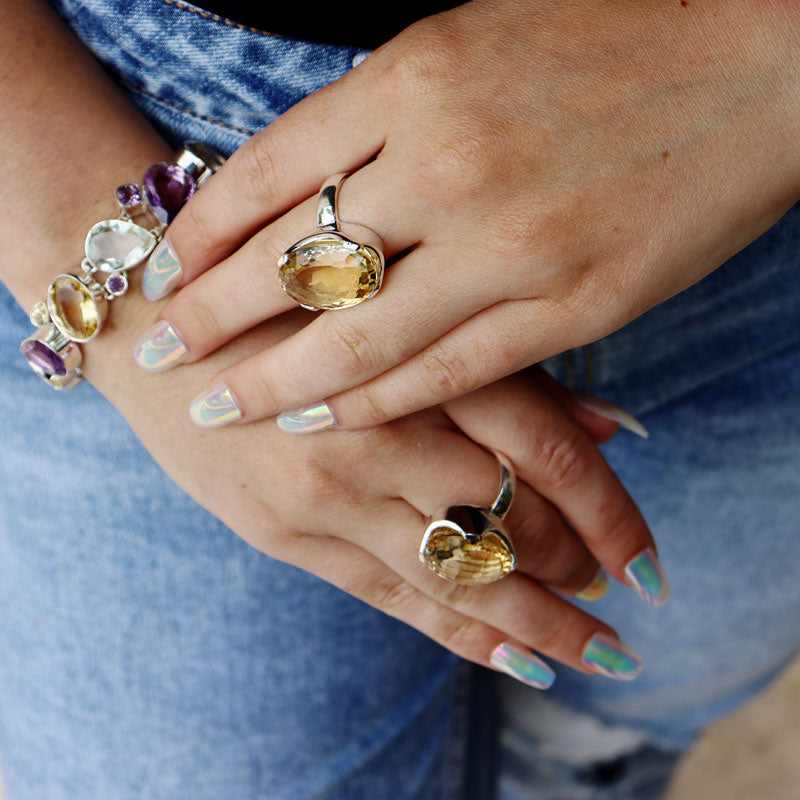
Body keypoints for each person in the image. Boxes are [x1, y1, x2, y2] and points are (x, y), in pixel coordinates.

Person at [0, 0, 797, 797]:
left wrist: (768, 46)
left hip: (750, 185)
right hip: (128, 150)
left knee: (617, 737)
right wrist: (115, 284)